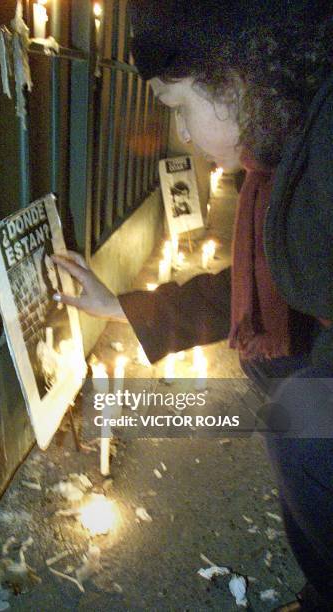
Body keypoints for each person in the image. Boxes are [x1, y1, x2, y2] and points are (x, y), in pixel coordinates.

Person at [52, 1, 333, 608]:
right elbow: (272, 283)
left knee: (306, 428)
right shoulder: (291, 160)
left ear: (238, 80)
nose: (179, 135)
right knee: (273, 366)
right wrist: (125, 306)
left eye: (180, 108)